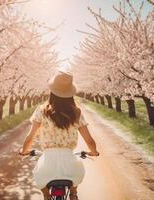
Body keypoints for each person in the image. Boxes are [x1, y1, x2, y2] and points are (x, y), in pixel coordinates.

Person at [19, 70, 99, 200]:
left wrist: (24, 151)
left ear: (52, 91)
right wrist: (93, 152)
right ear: (70, 94)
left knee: (40, 178)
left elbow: (30, 137)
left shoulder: (41, 111)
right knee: (76, 178)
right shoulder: (77, 113)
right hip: (71, 165)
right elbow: (89, 141)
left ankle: (46, 196)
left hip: (47, 165)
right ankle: (73, 193)